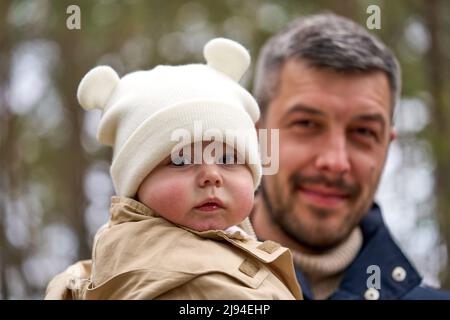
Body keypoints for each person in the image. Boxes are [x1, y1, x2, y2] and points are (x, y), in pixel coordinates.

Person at [44, 38, 302, 300]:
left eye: (227, 158)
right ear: (136, 183)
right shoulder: (180, 280)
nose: (211, 175)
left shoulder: (216, 249)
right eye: (180, 161)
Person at [250, 13, 450, 300]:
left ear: (386, 146)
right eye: (306, 124)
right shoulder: (174, 286)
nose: (335, 162)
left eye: (364, 132)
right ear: (256, 136)